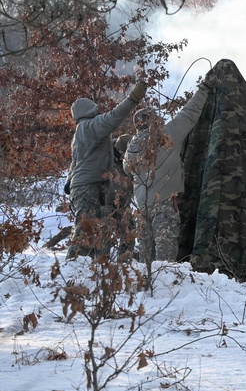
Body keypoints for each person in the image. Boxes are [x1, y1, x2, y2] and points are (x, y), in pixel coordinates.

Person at [123, 82, 211, 264]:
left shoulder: (130, 148)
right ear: (154, 121)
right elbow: (189, 113)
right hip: (163, 205)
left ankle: (149, 291)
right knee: (165, 263)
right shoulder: (166, 134)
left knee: (147, 262)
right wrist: (204, 90)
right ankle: (167, 290)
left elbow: (126, 169)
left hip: (142, 209)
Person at [66, 80, 148, 259]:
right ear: (88, 110)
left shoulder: (83, 132)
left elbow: (96, 155)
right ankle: (72, 265)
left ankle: (86, 266)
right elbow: (114, 117)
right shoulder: (89, 127)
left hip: (87, 185)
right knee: (85, 228)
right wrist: (133, 99)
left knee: (92, 227)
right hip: (87, 186)